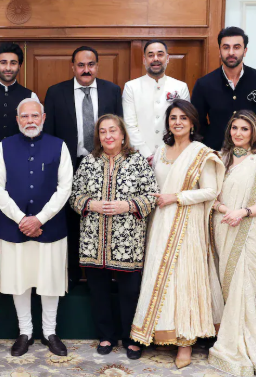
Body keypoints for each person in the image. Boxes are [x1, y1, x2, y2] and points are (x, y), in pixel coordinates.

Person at [131, 99, 225, 369]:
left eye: (184, 118)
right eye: (173, 117)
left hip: (187, 222)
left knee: (184, 279)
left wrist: (177, 197)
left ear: (193, 122)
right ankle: (160, 332)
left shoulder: (201, 152)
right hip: (160, 221)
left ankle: (185, 343)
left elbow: (211, 191)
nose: (178, 122)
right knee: (160, 275)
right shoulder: (161, 151)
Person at [69, 114, 158, 359]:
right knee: (98, 291)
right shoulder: (88, 162)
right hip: (93, 241)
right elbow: (74, 196)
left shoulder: (138, 161)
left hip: (128, 242)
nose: (108, 136)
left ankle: (132, 338)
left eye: (112, 131)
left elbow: (152, 196)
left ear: (122, 134)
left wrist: (127, 206)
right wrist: (90, 204)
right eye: (103, 132)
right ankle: (106, 336)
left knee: (130, 292)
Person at [0, 98, 73, 357]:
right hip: (14, 227)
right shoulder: (4, 147)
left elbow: (65, 188)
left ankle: (50, 332)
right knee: (20, 281)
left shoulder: (59, 146)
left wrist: (40, 219)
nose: (30, 121)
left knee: (50, 281)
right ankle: (24, 332)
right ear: (17, 120)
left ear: (43, 117)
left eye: (34, 116)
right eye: (25, 116)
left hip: (50, 227)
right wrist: (21, 220)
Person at [207, 110, 256, 376]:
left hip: (250, 228)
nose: (238, 133)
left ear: (254, 133)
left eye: (244, 129)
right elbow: (210, 196)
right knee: (227, 283)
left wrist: (243, 212)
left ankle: (245, 347)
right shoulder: (218, 159)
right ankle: (229, 337)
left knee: (244, 284)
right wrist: (223, 207)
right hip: (223, 225)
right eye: (234, 128)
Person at [44, 45, 123, 286]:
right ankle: (71, 276)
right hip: (70, 164)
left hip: (104, 163)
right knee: (70, 219)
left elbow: (119, 129)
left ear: (97, 66)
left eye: (90, 65)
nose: (86, 70)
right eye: (81, 65)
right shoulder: (56, 93)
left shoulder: (112, 90)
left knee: (102, 218)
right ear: (73, 67)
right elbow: (49, 133)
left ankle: (104, 276)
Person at [0, 42, 39, 252]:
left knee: (17, 218)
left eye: (13, 63)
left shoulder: (31, 96)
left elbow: (33, 131)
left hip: (20, 170)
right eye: (3, 63)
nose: (8, 67)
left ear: (20, 65)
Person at [123, 40, 190, 158]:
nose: (155, 59)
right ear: (144, 60)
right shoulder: (131, 87)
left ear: (167, 58)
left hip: (172, 155)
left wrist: (166, 153)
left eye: (160, 54)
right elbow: (129, 125)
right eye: (150, 55)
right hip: (139, 156)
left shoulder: (180, 87)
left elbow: (184, 124)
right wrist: (147, 155)